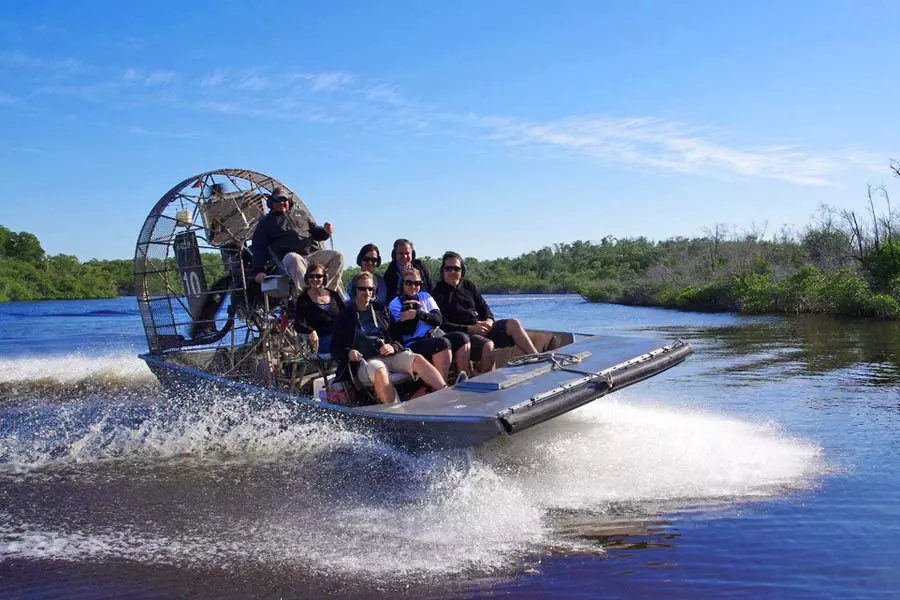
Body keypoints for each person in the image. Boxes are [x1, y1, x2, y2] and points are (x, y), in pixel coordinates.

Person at [331, 271, 447, 404]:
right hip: (365, 363)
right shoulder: (344, 316)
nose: (367, 292)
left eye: (370, 289)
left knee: (417, 359)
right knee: (380, 370)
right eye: (362, 288)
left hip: (389, 357)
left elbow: (397, 337)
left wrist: (393, 346)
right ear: (354, 290)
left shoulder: (382, 310)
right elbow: (335, 348)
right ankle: (396, 414)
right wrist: (348, 353)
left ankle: (445, 393)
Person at [431, 251, 538, 373]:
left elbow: (484, 308)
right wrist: (470, 329)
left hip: (481, 328)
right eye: (448, 269)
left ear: (462, 271)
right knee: (488, 346)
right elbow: (443, 324)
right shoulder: (437, 293)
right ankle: (480, 379)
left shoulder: (468, 286)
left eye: (456, 269)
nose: (452, 272)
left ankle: (538, 358)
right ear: (442, 271)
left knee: (514, 323)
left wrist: (489, 321)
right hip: (462, 336)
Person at [251, 186, 345, 298]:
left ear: (289, 201)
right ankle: (308, 297)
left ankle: (326, 293)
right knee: (294, 258)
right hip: (287, 260)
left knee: (338, 256)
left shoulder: (301, 214)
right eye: (278, 200)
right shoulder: (265, 223)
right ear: (271, 202)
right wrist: (259, 271)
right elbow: (258, 247)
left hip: (311, 255)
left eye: (284, 200)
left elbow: (316, 232)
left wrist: (325, 231)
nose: (282, 203)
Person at [389, 267, 471, 381]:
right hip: (413, 343)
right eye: (408, 283)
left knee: (463, 338)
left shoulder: (425, 296)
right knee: (442, 343)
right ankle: (443, 385)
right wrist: (410, 314)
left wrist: (418, 314)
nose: (413, 286)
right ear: (402, 284)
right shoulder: (395, 304)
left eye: (417, 283)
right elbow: (405, 331)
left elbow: (438, 319)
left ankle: (464, 378)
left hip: (433, 335)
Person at [293, 262, 344, 354]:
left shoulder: (334, 295)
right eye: (311, 276)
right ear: (306, 278)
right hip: (322, 338)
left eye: (318, 276)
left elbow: (346, 314)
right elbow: (298, 324)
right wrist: (311, 331)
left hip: (341, 335)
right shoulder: (303, 299)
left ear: (324, 278)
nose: (315, 279)